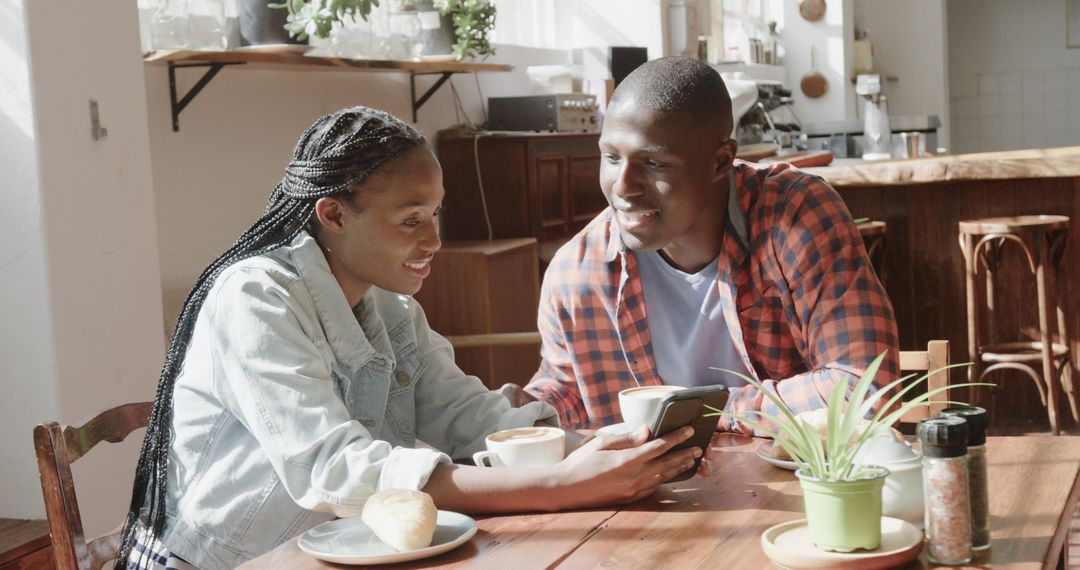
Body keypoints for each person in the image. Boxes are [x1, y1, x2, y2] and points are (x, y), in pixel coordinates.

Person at [117, 107, 701, 570]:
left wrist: (602, 447)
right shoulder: (253, 298)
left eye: (437, 215)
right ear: (334, 215)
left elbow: (470, 417)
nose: (435, 240)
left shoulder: (391, 308)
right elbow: (336, 470)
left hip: (349, 553)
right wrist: (555, 485)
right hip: (237, 563)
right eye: (411, 220)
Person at [523, 57, 900, 433]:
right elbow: (565, 390)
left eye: (654, 163)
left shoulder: (794, 216)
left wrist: (700, 411)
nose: (622, 187)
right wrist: (524, 412)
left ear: (721, 162)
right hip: (660, 493)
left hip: (794, 485)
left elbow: (862, 388)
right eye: (611, 157)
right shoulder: (577, 271)